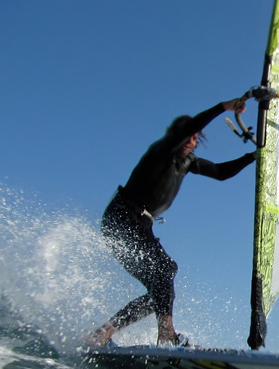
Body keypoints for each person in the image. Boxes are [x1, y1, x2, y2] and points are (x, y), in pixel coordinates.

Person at [85, 97, 256, 348]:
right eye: (187, 135)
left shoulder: (187, 163)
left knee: (160, 286)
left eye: (195, 137)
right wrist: (224, 107)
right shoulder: (161, 150)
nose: (191, 140)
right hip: (122, 216)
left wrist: (253, 155)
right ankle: (167, 335)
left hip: (139, 224)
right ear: (173, 136)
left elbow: (221, 173)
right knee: (165, 270)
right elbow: (188, 129)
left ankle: (103, 332)